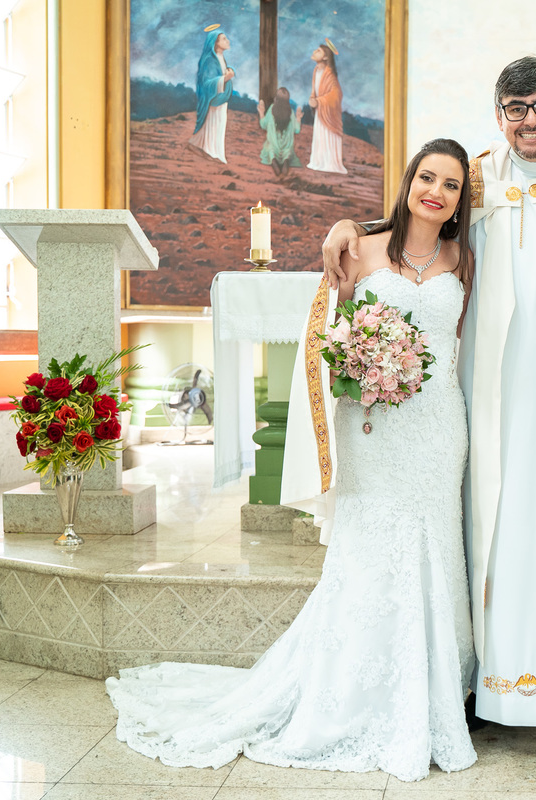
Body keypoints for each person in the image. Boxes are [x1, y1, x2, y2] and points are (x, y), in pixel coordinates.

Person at [107, 138, 477, 783]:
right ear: (408, 180)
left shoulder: (462, 257)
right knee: (368, 551)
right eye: (427, 177)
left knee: (435, 548)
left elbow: (459, 341)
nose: (436, 192)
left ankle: (435, 691)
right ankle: (354, 693)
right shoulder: (360, 247)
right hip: (373, 425)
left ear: (460, 198)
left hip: (440, 428)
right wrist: (361, 365)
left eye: (450, 184)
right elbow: (329, 332)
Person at [322, 56, 536, 740]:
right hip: (485, 405)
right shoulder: (476, 187)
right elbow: (409, 223)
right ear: (498, 115)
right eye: (517, 108)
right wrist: (346, 226)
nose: (531, 121)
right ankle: (484, 682)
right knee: (487, 532)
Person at [187, 24, 234, 163]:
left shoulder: (221, 58)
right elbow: (206, 83)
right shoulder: (209, 60)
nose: (228, 41)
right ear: (216, 43)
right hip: (212, 99)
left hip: (220, 98)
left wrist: (226, 76)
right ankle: (210, 151)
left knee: (218, 124)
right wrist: (226, 78)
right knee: (213, 124)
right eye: (224, 39)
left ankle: (208, 149)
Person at [307, 38, 348, 174]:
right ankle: (319, 162)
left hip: (329, 113)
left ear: (325, 56)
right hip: (320, 112)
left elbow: (336, 94)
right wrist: (313, 98)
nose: (314, 52)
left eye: (318, 51)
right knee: (320, 135)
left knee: (328, 136)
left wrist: (319, 101)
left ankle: (330, 164)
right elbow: (315, 89)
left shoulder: (329, 74)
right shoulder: (316, 71)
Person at [257, 87, 305, 177]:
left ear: (276, 99)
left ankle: (273, 159)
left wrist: (261, 113)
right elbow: (297, 130)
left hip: (273, 146)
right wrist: (298, 118)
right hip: (286, 147)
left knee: (270, 148)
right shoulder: (290, 112)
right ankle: (286, 160)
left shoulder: (272, 109)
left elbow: (263, 125)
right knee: (287, 152)